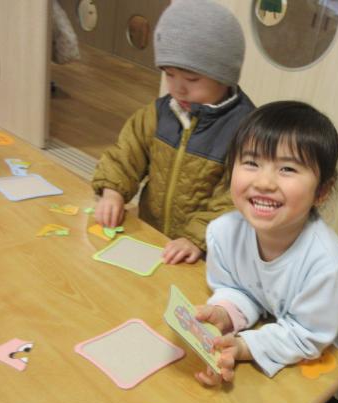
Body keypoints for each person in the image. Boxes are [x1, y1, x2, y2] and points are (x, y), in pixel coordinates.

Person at [193, 101, 338, 403]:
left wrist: (244, 346)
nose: (264, 181)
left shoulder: (328, 266)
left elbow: (308, 335)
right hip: (279, 305)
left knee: (321, 394)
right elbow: (236, 286)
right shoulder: (223, 233)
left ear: (322, 191)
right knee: (276, 382)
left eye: (288, 169)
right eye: (251, 162)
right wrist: (225, 311)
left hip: (334, 332)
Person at [91, 0, 255, 264]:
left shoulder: (246, 131)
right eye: (169, 75)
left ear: (225, 76)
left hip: (205, 254)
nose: (178, 89)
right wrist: (113, 193)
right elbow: (126, 155)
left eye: (192, 79)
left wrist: (196, 239)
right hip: (153, 236)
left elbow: (237, 200)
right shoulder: (159, 113)